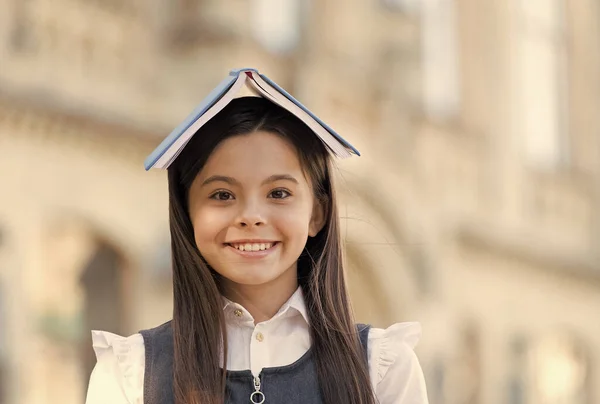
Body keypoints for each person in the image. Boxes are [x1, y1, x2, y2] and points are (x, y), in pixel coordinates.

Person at [85, 85, 429, 403]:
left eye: (278, 193)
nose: (250, 216)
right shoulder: (130, 374)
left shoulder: (384, 369)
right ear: (187, 213)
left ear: (317, 214)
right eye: (222, 194)